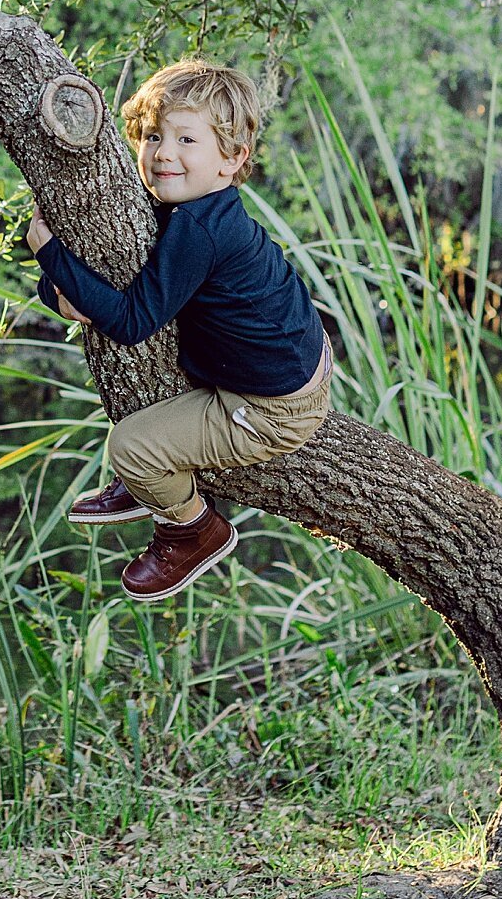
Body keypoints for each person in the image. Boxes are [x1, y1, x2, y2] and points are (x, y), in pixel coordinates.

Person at [26, 58, 331, 603]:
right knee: (155, 406)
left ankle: (192, 529)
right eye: (151, 136)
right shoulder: (183, 207)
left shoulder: (198, 228)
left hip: (273, 410)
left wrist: (48, 251)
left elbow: (130, 321)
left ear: (232, 159)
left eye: (187, 138)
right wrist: (58, 286)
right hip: (290, 359)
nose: (163, 152)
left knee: (131, 445)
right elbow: (107, 276)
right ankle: (149, 487)